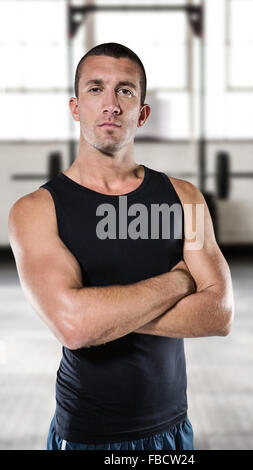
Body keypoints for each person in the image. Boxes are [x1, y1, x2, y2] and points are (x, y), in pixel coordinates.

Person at [8, 43, 234, 451]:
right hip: (87, 436)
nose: (110, 104)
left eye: (125, 91)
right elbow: (73, 328)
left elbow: (219, 313)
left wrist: (100, 317)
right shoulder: (35, 210)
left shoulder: (187, 199)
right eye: (96, 89)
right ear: (76, 107)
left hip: (174, 433)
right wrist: (180, 282)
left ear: (142, 113)